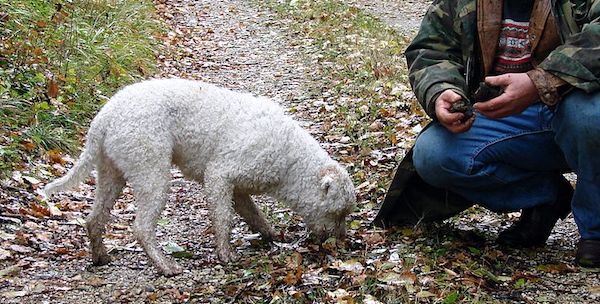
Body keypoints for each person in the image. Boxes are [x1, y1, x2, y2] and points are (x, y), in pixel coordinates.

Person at [400, 0, 600, 267]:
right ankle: (548, 196)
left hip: (578, 107)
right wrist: (441, 90)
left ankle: (595, 234)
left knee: (589, 118)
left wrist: (539, 82)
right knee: (434, 154)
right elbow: (431, 50)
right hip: (507, 120)